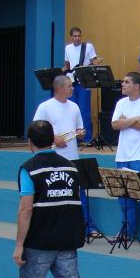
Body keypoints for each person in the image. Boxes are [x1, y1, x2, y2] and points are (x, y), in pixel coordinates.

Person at [0, 120, 96, 278]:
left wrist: (19, 245)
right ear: (53, 140)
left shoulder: (28, 169)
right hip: (67, 241)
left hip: (39, 243)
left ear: (29, 143)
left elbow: (26, 209)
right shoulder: (71, 167)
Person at [33, 75, 102, 241]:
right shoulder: (45, 107)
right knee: (55, 193)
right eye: (69, 86)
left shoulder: (74, 107)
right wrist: (53, 138)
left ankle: (87, 227)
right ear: (59, 88)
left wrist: (81, 133)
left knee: (79, 193)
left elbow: (79, 129)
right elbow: (35, 130)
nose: (72, 88)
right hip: (53, 158)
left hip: (72, 158)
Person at [111, 72, 140, 246]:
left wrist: (126, 121)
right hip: (123, 155)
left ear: (137, 86)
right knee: (124, 197)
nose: (122, 84)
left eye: (126, 82)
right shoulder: (121, 103)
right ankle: (127, 232)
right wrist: (135, 119)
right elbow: (114, 125)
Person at [62, 27, 98, 143]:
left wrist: (95, 66)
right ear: (71, 37)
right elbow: (67, 65)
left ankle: (87, 138)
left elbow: (95, 61)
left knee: (84, 110)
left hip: (84, 80)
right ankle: (74, 138)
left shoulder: (88, 46)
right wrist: (60, 72)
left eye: (79, 36)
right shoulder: (68, 48)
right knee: (72, 109)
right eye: (75, 36)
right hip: (72, 81)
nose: (77, 38)